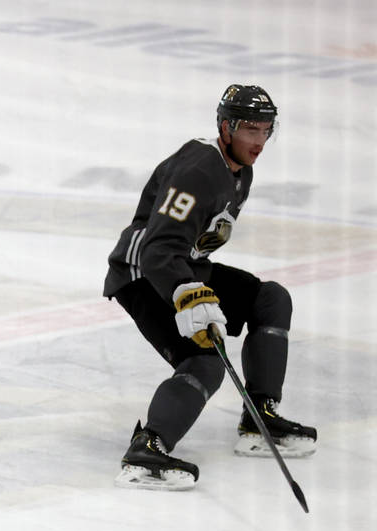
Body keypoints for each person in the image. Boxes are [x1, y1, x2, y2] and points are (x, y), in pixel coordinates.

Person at [103, 84, 317, 491]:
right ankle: (147, 449)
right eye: (250, 129)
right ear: (226, 126)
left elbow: (194, 244)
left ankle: (260, 417)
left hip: (184, 266)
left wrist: (194, 284)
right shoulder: (199, 169)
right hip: (143, 273)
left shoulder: (241, 171)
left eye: (266, 130)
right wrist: (188, 294)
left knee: (270, 299)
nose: (259, 141)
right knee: (204, 360)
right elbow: (159, 248)